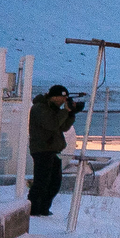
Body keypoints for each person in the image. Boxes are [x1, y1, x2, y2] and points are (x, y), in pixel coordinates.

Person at [28, 85, 78, 217]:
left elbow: (63, 127)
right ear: (54, 96)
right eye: (62, 98)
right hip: (42, 149)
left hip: (51, 150)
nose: (63, 101)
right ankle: (33, 209)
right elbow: (52, 124)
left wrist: (71, 113)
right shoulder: (39, 108)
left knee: (54, 182)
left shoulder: (53, 109)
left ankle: (43, 208)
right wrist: (65, 111)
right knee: (42, 181)